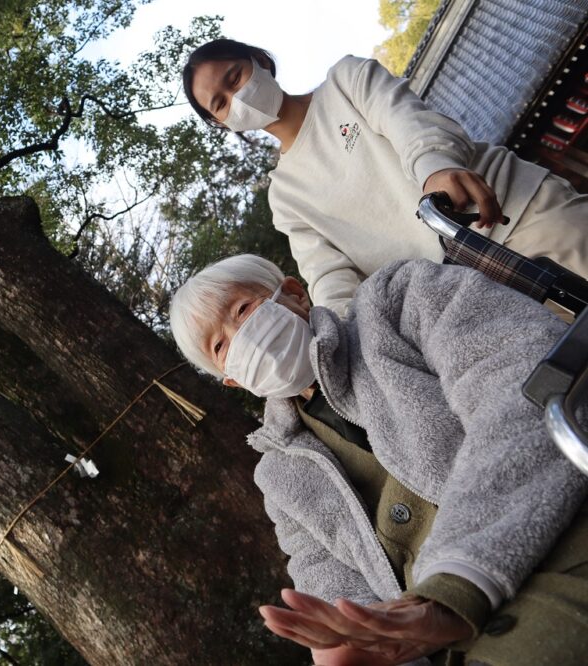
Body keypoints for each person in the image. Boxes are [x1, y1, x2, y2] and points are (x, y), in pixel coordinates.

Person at [168, 254, 588, 665]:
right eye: (221, 345)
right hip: (443, 637)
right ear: (231, 380)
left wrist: (453, 585)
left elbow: (523, 384)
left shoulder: (398, 300)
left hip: (560, 542)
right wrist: (357, 638)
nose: (243, 336)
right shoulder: (278, 477)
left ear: (295, 294)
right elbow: (324, 577)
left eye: (243, 309)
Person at [182, 39, 588, 316]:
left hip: (512, 214)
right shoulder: (285, 198)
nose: (238, 99)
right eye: (221, 103)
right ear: (223, 124)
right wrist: (337, 335)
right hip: (465, 298)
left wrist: (435, 169)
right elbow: (328, 276)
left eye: (234, 78)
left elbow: (411, 123)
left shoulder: (345, 81)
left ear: (259, 60)